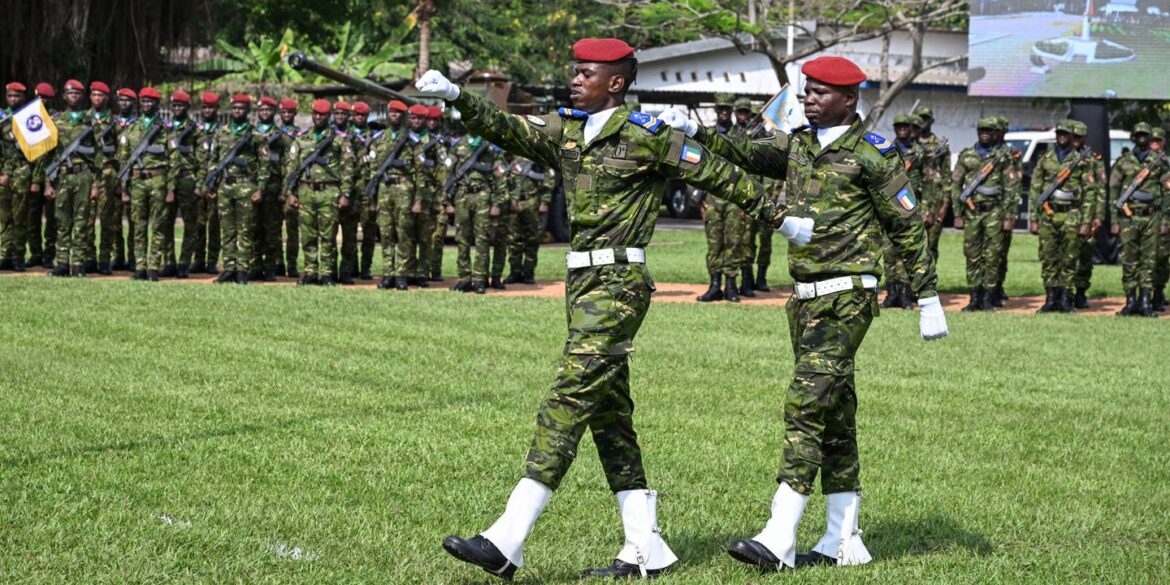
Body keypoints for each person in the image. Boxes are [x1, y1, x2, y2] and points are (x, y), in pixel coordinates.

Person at [417, 38, 811, 580]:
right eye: (574, 70)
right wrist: (458, 96)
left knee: (570, 393)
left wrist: (782, 218)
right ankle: (645, 546)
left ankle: (508, 535)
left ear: (616, 83)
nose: (574, 79)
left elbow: (722, 176)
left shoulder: (648, 137)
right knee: (608, 414)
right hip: (581, 279)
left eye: (586, 73)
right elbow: (509, 130)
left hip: (620, 281)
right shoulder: (568, 130)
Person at [660, 54, 947, 572]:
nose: (809, 99)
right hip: (806, 298)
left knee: (805, 405)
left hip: (848, 297)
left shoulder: (874, 155)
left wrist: (927, 297)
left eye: (819, 92)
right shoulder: (799, 144)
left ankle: (780, 534)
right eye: (807, 90)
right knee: (834, 414)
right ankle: (844, 538)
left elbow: (908, 226)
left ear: (849, 98)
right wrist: (695, 128)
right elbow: (745, 152)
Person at [951, 116, 1021, 311]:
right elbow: (956, 185)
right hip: (973, 213)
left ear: (995, 133)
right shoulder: (967, 155)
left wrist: (1009, 216)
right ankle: (974, 298)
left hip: (994, 213)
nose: (985, 133)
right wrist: (957, 213)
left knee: (992, 256)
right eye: (982, 130)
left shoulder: (1003, 158)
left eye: (989, 130)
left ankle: (988, 298)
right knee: (972, 255)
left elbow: (1011, 188)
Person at [1028, 119, 1097, 313]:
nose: (1062, 137)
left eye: (1066, 134)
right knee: (1049, 258)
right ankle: (1051, 298)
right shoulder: (1045, 159)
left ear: (1071, 136)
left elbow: (1090, 191)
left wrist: (1086, 221)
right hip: (1049, 215)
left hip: (1072, 214)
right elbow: (1035, 190)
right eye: (1059, 134)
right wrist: (1033, 219)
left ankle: (1066, 299)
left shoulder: (1081, 160)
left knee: (1069, 258)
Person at [284, 98, 353, 286]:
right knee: (307, 235)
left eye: (321, 115)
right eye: (315, 114)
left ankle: (327, 273)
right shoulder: (302, 138)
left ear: (328, 116)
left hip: (329, 191)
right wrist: (291, 192)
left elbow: (347, 168)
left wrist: (345, 194)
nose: (317, 117)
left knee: (329, 235)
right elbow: (292, 167)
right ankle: (310, 272)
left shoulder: (339, 140)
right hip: (306, 190)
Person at [206, 94, 268, 284]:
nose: (237, 111)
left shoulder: (256, 135)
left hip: (246, 186)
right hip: (225, 186)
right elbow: (213, 159)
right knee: (227, 230)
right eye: (234, 108)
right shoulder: (220, 132)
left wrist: (260, 189)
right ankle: (229, 268)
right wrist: (211, 182)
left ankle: (242, 269)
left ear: (248, 111)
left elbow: (264, 164)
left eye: (241, 108)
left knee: (245, 230)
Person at [1109, 122, 1169, 317]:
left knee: (1149, 261)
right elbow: (1113, 191)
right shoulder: (1123, 162)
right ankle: (1130, 301)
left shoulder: (1159, 162)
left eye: (1145, 135)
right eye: (1139, 135)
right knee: (1129, 261)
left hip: (1152, 217)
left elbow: (1167, 192)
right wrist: (1114, 221)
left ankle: (1145, 301)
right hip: (1128, 217)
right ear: (1133, 137)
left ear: (1151, 138)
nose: (1142, 138)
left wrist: (1165, 220)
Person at [696, 93, 750, 302]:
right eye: (721, 109)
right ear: (716, 111)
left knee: (734, 242)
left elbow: (749, 169)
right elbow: (696, 166)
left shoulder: (741, 136)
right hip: (712, 197)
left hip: (735, 197)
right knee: (714, 243)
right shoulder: (707, 135)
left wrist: (748, 200)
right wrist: (699, 199)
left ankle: (731, 286)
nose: (724, 112)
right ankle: (714, 286)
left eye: (728, 109)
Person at [44, 79, 102, 277]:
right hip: (62, 176)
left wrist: (96, 184)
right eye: (70, 94)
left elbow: (98, 154)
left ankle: (78, 264)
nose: (74, 97)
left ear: (82, 96)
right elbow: (48, 154)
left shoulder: (91, 121)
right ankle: (61, 263)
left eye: (77, 94)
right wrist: (47, 184)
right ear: (64, 96)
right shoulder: (55, 121)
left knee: (82, 221)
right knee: (62, 220)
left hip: (84, 175)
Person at [116, 87, 172, 281]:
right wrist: (124, 189)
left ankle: (154, 267)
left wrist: (171, 188)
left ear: (157, 104)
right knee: (138, 225)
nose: (146, 105)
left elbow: (175, 160)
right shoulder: (130, 129)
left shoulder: (166, 129)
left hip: (158, 180)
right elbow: (123, 160)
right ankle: (140, 266)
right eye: (144, 102)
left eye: (150, 102)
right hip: (137, 181)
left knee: (157, 225)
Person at [880, 113, 923, 309]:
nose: (902, 130)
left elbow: (932, 182)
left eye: (906, 126)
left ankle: (906, 294)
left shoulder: (921, 152)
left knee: (907, 252)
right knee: (889, 253)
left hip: (911, 207)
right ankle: (891, 293)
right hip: (889, 207)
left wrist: (929, 208)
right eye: (899, 126)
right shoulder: (886, 150)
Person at [251, 95, 287, 281]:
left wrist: (284, 190)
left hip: (273, 186)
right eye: (262, 110)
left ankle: (271, 266)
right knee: (254, 228)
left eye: (268, 109)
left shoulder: (281, 136)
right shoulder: (251, 133)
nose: (265, 112)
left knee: (272, 229)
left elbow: (288, 163)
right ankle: (256, 265)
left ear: (274, 112)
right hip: (252, 186)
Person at [164, 89, 199, 278]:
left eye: (180, 105)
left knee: (190, 224)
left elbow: (202, 158)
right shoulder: (164, 128)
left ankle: (185, 262)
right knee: (166, 222)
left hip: (187, 179)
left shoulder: (194, 129)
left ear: (187, 107)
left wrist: (199, 184)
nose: (177, 108)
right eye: (174, 105)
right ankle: (169, 261)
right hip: (167, 179)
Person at [503, 155, 554, 284]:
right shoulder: (511, 155)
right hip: (514, 202)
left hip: (532, 201)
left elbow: (549, 176)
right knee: (513, 239)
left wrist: (545, 202)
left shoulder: (534, 152)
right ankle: (515, 271)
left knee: (532, 239)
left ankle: (528, 272)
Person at [1071, 120, 1105, 309]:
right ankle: (1064, 293)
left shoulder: (1093, 160)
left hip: (1088, 212)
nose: (1075, 140)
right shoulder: (1062, 158)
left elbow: (1100, 190)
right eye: (1073, 136)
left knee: (1084, 255)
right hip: (1068, 212)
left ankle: (1081, 292)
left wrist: (1098, 216)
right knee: (1065, 256)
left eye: (1079, 137)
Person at [89, 81, 120, 275]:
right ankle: (89, 258)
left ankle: (105, 259)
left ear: (106, 98)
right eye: (94, 95)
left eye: (101, 95)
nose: (97, 98)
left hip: (108, 173)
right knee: (87, 218)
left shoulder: (115, 122)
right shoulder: (83, 119)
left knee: (107, 219)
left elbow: (122, 151)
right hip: (88, 173)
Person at [912, 105, 951, 260]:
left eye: (925, 118)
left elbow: (947, 176)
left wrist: (945, 204)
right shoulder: (908, 144)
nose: (922, 122)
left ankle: (928, 280)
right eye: (919, 118)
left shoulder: (939, 146)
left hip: (934, 199)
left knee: (931, 243)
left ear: (932, 121)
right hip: (912, 198)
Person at [192, 91, 222, 275]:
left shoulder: (223, 132)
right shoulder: (195, 131)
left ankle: (212, 261)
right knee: (198, 224)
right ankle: (198, 259)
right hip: (197, 184)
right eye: (204, 107)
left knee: (214, 224)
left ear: (217, 109)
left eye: (211, 107)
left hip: (215, 185)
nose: (207, 110)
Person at [278, 97, 303, 278]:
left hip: (292, 188)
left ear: (295, 114)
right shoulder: (273, 135)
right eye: (284, 112)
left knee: (292, 231)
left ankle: (292, 264)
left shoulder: (301, 136)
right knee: (273, 230)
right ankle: (277, 264)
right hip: (274, 187)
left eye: (289, 112)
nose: (286, 115)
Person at [1151, 127, 1169, 312]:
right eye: (1152, 140)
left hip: (1166, 217)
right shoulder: (1142, 163)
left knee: (1163, 258)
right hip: (1148, 217)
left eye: (1158, 140)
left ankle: (1158, 292)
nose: (1155, 144)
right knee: (1148, 259)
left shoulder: (1166, 163)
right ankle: (1147, 295)